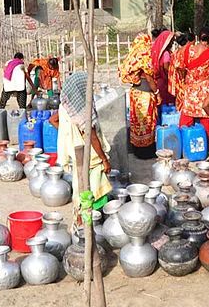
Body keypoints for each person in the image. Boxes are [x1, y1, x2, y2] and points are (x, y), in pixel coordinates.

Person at [51, 71, 113, 215]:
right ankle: (94, 218)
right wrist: (104, 160)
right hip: (90, 157)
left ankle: (80, 215)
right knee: (94, 189)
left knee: (80, 187)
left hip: (75, 153)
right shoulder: (83, 110)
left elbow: (53, 120)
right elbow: (91, 136)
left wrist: (71, 136)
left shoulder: (65, 107)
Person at [119, 33, 159, 158]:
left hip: (135, 92)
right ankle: (146, 153)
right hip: (145, 94)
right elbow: (149, 76)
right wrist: (157, 93)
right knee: (146, 123)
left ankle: (137, 150)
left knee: (137, 123)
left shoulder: (133, 54)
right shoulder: (144, 54)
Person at [176, 27, 209, 135]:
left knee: (187, 114)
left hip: (189, 87)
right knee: (205, 115)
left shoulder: (188, 50)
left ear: (198, 37)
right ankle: (205, 140)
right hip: (204, 88)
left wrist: (185, 80)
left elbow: (180, 68)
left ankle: (183, 138)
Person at [151, 29, 175, 106]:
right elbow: (166, 67)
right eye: (171, 41)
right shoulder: (166, 53)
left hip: (156, 81)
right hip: (164, 82)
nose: (172, 43)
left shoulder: (156, 51)